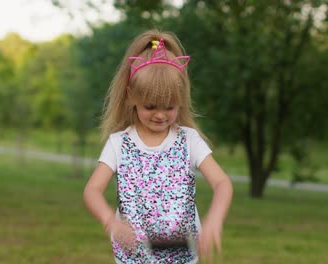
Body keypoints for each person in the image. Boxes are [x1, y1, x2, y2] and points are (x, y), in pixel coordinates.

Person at [83, 29, 233, 264]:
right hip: (133, 256)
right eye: (151, 106)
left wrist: (214, 220)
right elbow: (92, 191)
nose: (160, 115)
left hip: (182, 254)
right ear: (132, 95)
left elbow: (222, 183)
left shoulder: (189, 140)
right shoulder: (119, 144)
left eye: (170, 106)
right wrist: (111, 222)